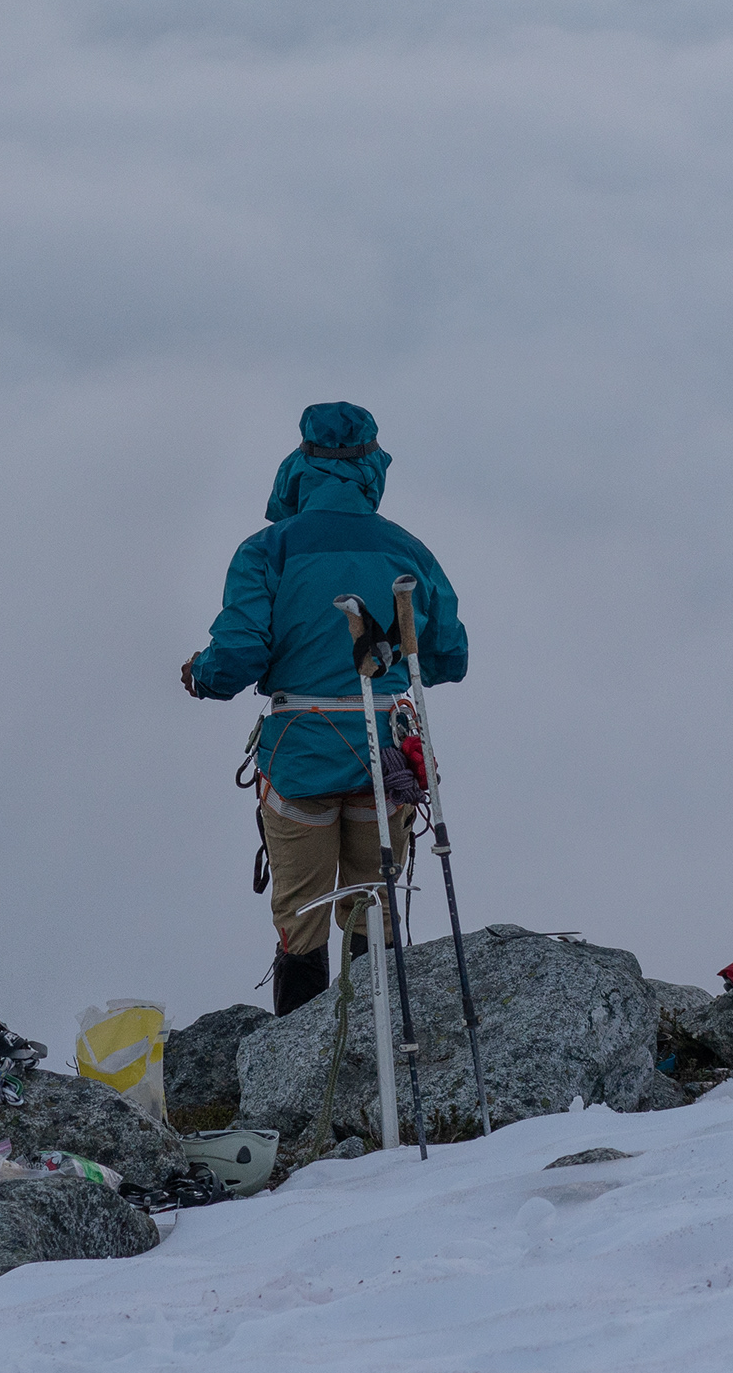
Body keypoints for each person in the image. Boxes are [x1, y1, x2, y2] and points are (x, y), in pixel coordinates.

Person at [179, 402, 467, 1015]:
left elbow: (236, 657)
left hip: (300, 754)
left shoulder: (267, 549)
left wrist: (201, 674)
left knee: (302, 915)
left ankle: (303, 1053)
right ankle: (378, 1032)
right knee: (374, 904)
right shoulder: (409, 551)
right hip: (386, 754)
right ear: (372, 468)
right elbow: (449, 656)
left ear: (299, 467)